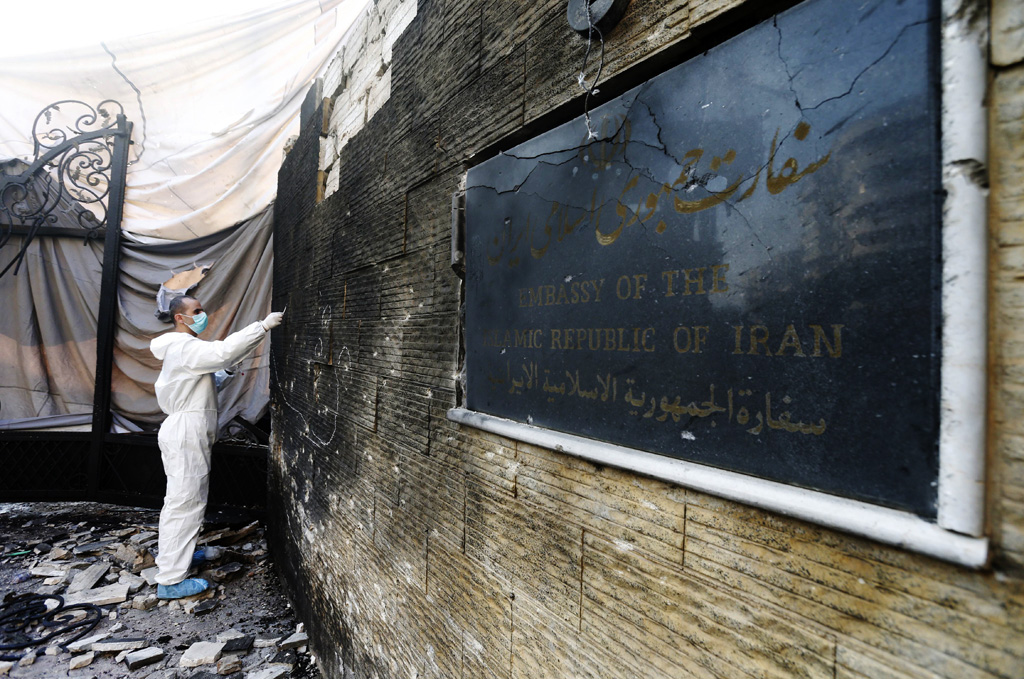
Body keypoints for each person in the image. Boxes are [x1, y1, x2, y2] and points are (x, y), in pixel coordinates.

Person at [149, 295, 284, 599]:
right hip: (185, 432)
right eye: (195, 311)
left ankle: (178, 557)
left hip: (184, 430)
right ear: (180, 318)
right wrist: (261, 327)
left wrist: (223, 374)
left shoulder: (181, 350)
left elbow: (199, 382)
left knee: (183, 500)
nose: (202, 314)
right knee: (185, 503)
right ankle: (170, 580)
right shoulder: (184, 346)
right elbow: (221, 352)